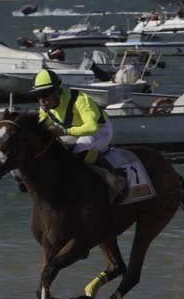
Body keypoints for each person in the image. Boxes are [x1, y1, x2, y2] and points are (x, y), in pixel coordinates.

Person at [32, 68, 125, 200]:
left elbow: (92, 127)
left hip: (101, 130)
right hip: (75, 132)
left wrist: (65, 132)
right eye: (38, 95)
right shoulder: (44, 108)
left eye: (45, 94)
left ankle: (113, 179)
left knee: (79, 148)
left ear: (57, 92)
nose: (42, 100)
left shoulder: (80, 99)